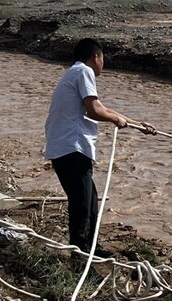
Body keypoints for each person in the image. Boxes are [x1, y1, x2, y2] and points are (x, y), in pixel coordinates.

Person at [45, 38, 156, 255]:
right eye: (102, 58)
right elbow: (94, 110)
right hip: (71, 147)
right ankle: (81, 258)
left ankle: (93, 248)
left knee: (90, 201)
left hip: (65, 147)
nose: (102, 63)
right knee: (82, 206)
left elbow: (100, 107)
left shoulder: (74, 72)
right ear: (95, 57)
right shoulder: (83, 72)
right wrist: (116, 121)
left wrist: (136, 124)